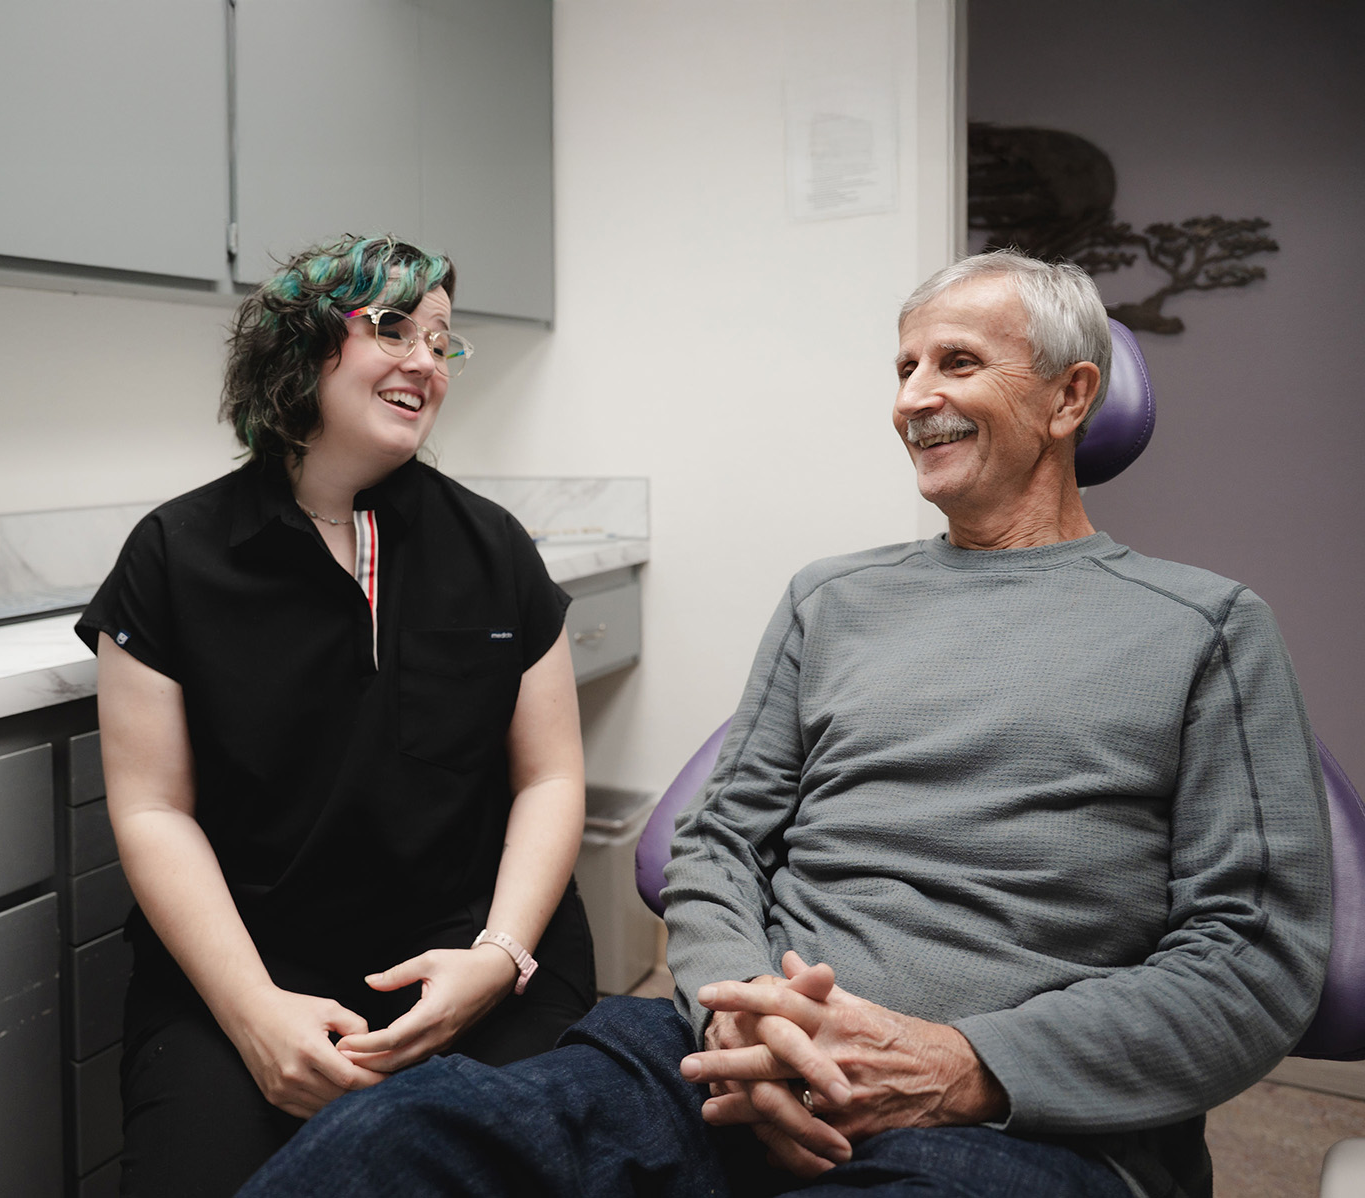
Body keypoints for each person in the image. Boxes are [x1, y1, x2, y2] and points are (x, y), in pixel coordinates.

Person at [233, 249, 1333, 1198]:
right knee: (399, 1140)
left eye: (955, 362)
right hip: (717, 1064)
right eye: (903, 366)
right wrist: (735, 1014)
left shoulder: (1206, 628)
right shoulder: (833, 598)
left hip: (1013, 1121)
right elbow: (719, 839)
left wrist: (960, 1062)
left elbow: (1251, 958)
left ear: (1069, 395)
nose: (912, 397)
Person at [75, 234, 596, 1197]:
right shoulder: (174, 556)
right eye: (394, 328)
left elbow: (552, 776)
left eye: (443, 343)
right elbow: (153, 810)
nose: (425, 363)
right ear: (300, 345)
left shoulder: (494, 548)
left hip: (481, 956)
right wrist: (252, 1014)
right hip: (251, 971)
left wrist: (500, 955)